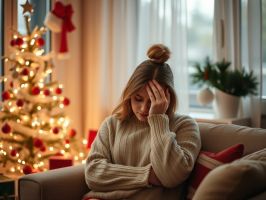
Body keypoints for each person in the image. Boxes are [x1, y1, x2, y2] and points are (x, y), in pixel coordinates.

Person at [83, 44, 201, 200]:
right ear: (129, 94)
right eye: (138, 99)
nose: (144, 108)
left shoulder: (185, 126)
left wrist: (158, 119)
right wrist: (148, 175)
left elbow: (171, 177)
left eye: (152, 101)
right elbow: (92, 173)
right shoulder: (112, 124)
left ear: (167, 97)